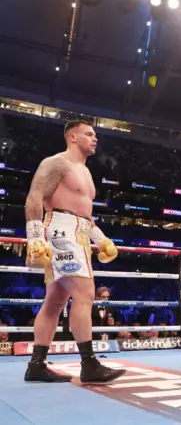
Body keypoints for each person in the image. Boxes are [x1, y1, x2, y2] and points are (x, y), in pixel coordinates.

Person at [24, 119, 125, 383]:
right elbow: (34, 197)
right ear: (72, 137)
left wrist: (102, 239)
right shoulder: (56, 163)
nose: (95, 139)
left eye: (95, 135)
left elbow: (84, 215)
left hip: (78, 231)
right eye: (89, 134)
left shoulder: (86, 172)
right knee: (84, 293)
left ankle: (36, 365)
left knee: (55, 300)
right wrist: (34, 237)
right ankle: (89, 365)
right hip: (60, 230)